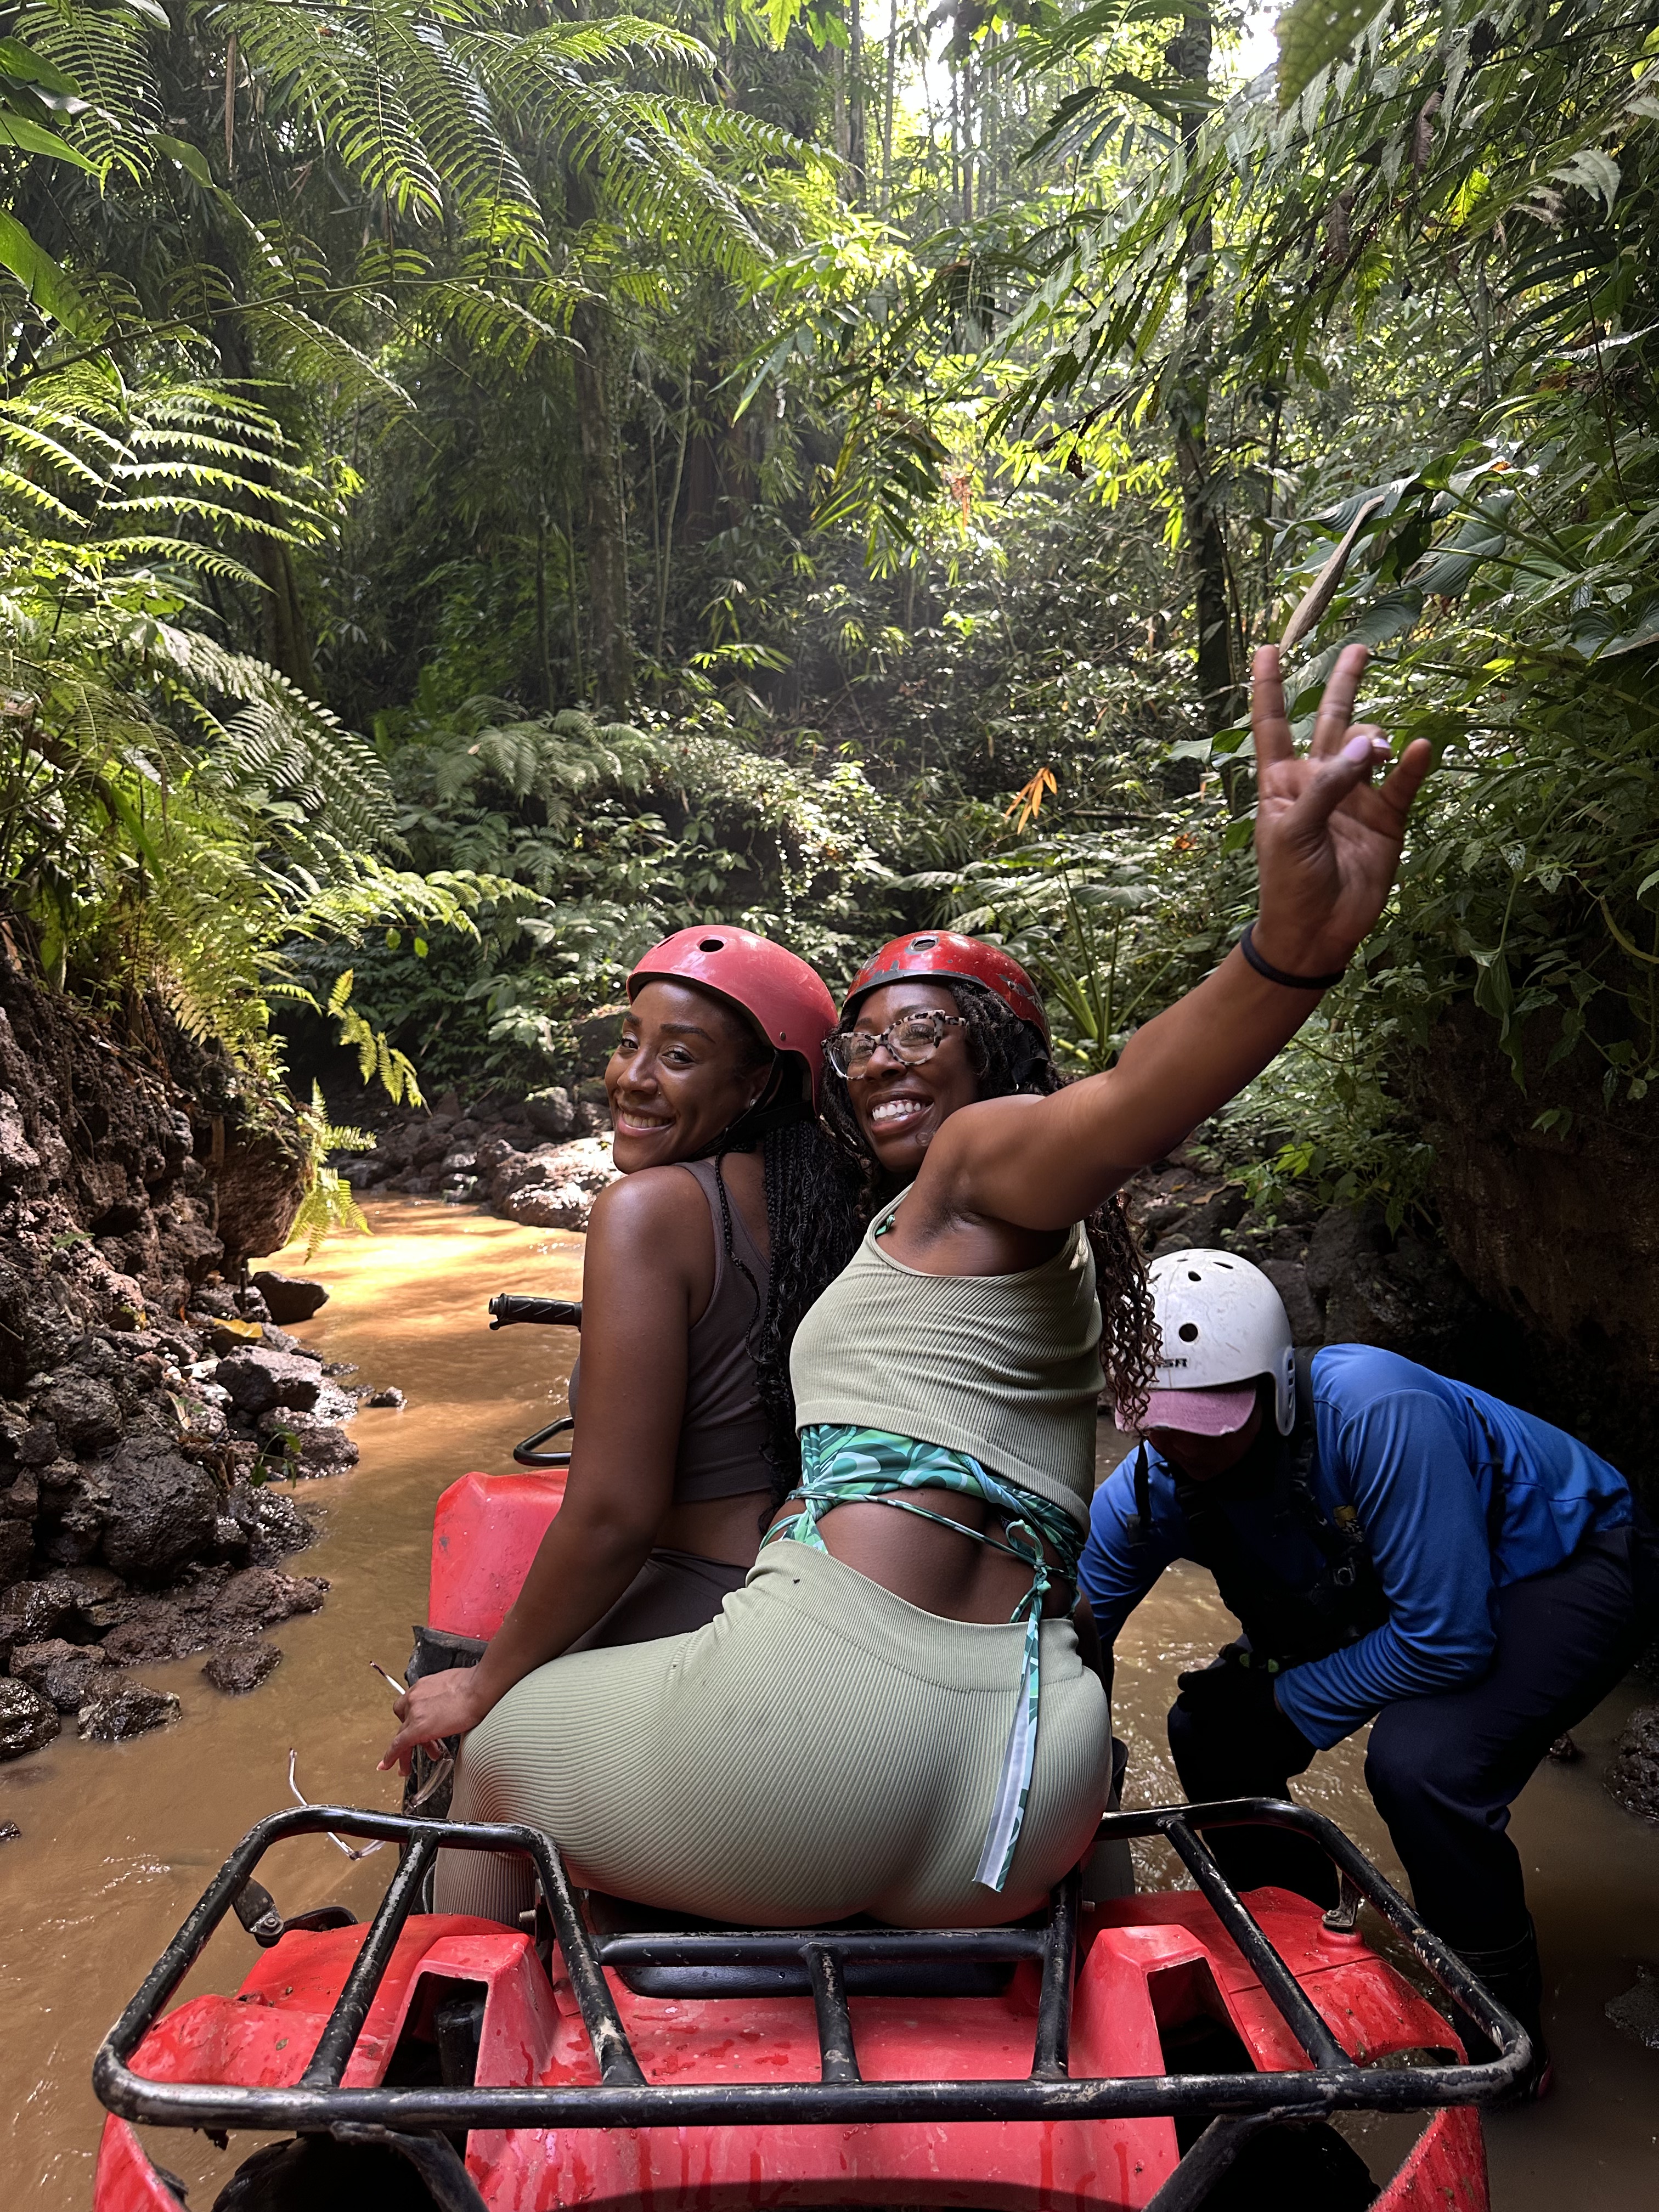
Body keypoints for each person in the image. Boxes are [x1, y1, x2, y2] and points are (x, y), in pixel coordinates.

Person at [384, 641, 1431, 1934]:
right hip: (1022, 1783)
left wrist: (1284, 953)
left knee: (496, 1752)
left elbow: (1132, 1100)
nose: (882, 1058)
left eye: (924, 1031)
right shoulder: (1030, 1251)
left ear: (1004, 1064)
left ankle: (452, 2034)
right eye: (862, 1040)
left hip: (826, 1738)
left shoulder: (980, 1164)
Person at [1078, 1247, 1659, 2097]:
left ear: (1279, 1388)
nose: (1187, 1448)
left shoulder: (1376, 1409)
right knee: (1208, 1728)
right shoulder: (1143, 1492)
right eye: (1162, 1425)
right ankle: (1305, 1961)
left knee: (1423, 1766)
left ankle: (1502, 2042)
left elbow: (1448, 1640)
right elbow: (1071, 1640)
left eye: (1213, 1421)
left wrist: (1286, 1700)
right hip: (1393, 1583)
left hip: (1565, 1560)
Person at [472, 925, 865, 1663]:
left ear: (759, 1083)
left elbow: (613, 1517)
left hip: (698, 1600)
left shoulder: (647, 1211)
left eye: (679, 1056)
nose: (633, 1077)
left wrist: (483, 1684)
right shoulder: (838, 1206)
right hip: (808, 1584)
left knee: (474, 1727)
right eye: (629, 1043)